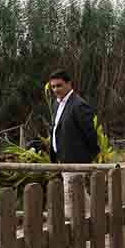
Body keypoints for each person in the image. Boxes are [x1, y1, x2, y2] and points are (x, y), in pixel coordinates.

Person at [47, 70, 100, 217]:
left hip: (76, 159)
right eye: (53, 87)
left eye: (59, 85)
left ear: (69, 84)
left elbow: (90, 134)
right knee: (79, 193)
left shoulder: (79, 105)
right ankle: (95, 217)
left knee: (70, 196)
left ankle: (72, 226)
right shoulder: (56, 104)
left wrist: (88, 156)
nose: (56, 90)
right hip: (62, 158)